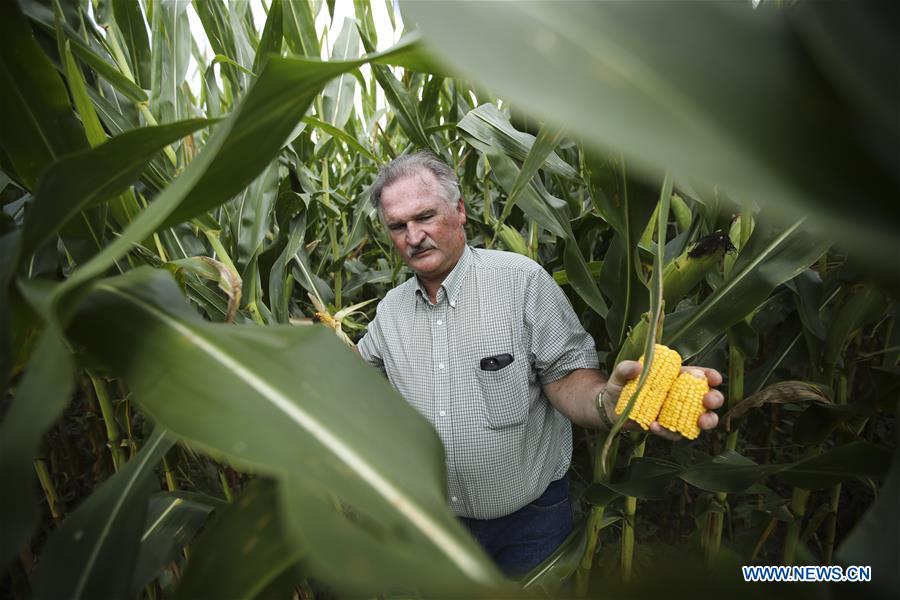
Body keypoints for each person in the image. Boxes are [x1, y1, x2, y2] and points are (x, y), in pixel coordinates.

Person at [356, 151, 724, 576]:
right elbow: (351, 379)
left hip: (529, 527)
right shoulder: (391, 313)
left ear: (459, 211)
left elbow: (568, 380)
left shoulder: (521, 282)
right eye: (398, 226)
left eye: (425, 216)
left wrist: (611, 401)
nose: (413, 236)